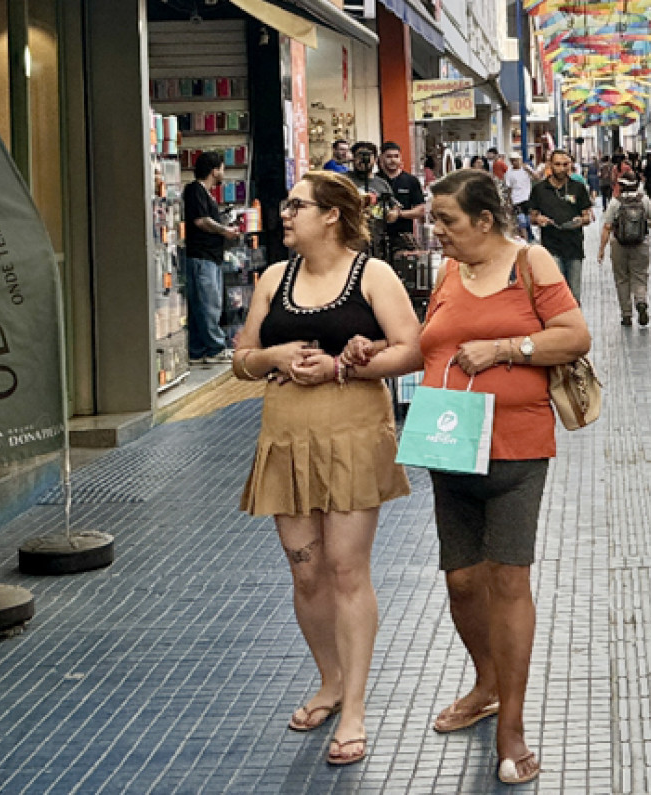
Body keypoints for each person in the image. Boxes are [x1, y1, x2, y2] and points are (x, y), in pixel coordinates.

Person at [231, 171, 422, 767]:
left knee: (345, 569)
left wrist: (344, 366)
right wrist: (273, 355)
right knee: (307, 573)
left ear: (332, 215)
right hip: (287, 439)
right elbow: (241, 359)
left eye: (297, 206)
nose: (285, 214)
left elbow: (412, 348)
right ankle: (330, 681)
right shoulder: (273, 279)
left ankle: (355, 708)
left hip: (353, 436)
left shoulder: (373, 275)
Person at [418, 169, 591, 787]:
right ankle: (486, 684)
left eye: (447, 221)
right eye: (435, 221)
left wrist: (504, 350)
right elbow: (426, 345)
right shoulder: (448, 273)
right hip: (449, 445)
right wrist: (357, 358)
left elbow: (574, 336)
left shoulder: (529, 263)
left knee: (508, 579)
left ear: (485, 220)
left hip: (517, 449)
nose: (438, 232)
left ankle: (511, 727)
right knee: (462, 581)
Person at [183, 151, 238, 362]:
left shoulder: (206, 194)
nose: (224, 172)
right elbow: (201, 221)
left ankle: (198, 349)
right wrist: (224, 230)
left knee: (203, 304)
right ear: (214, 171)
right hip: (201, 256)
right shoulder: (195, 190)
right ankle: (215, 347)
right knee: (208, 304)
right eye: (222, 168)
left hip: (210, 256)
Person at [528, 148, 592, 295]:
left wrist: (581, 221)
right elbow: (532, 217)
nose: (562, 168)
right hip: (551, 246)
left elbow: (587, 216)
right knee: (557, 291)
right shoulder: (540, 189)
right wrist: (539, 219)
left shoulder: (578, 187)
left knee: (574, 293)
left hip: (574, 247)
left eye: (565, 164)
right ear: (550, 164)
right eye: (557, 164)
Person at [598, 175, 651, 327]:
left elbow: (607, 226)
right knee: (640, 275)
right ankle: (641, 301)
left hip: (619, 244)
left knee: (622, 278)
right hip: (641, 243)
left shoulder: (615, 202)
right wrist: (646, 225)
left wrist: (601, 249)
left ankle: (626, 315)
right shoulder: (644, 200)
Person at [376, 141, 427, 254]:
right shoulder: (375, 181)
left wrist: (399, 214)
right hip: (377, 237)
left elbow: (420, 210)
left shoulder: (411, 180)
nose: (393, 160)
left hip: (403, 237)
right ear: (381, 158)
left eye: (396, 156)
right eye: (389, 156)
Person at [504, 155, 536, 241]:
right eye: (512, 161)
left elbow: (536, 177)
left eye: (516, 160)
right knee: (522, 222)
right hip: (516, 199)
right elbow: (509, 188)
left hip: (527, 198)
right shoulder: (509, 172)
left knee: (528, 220)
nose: (515, 162)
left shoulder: (526, 168)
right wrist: (508, 201)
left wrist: (529, 170)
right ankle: (525, 240)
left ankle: (529, 237)